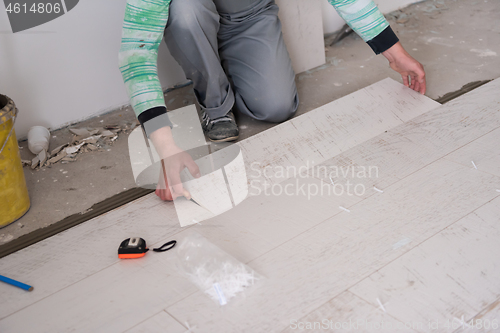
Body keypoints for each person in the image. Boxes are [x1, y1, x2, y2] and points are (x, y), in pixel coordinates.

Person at [119, 0, 426, 201]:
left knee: (276, 106)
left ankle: (229, 59)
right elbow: (136, 54)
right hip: (193, 15)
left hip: (248, 14)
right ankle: (214, 100)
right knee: (185, 14)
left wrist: (394, 53)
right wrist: (166, 147)